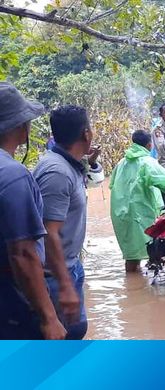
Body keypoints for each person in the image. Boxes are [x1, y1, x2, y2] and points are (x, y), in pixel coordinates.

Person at [0, 82, 66, 340]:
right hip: (10, 297)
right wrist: (49, 318)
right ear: (21, 127)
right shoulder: (12, 176)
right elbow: (23, 253)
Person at [33, 105, 103, 340]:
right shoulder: (57, 172)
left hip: (68, 265)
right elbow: (48, 232)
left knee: (75, 330)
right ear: (86, 134)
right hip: (54, 274)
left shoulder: (66, 164)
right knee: (66, 335)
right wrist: (64, 285)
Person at [110, 130, 165, 273]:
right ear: (149, 145)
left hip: (121, 214)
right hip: (141, 214)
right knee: (152, 250)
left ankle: (132, 289)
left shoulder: (121, 163)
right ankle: (146, 291)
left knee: (131, 256)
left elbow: (111, 185)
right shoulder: (147, 163)